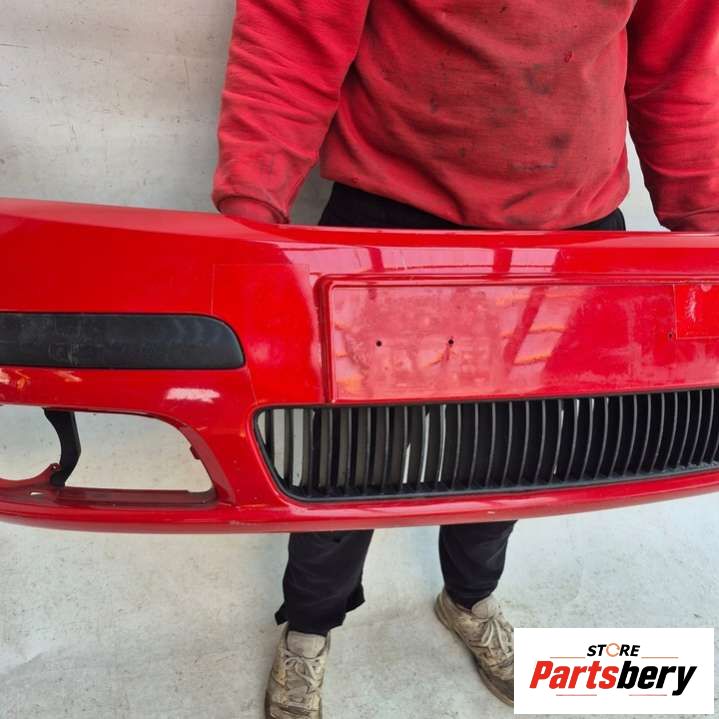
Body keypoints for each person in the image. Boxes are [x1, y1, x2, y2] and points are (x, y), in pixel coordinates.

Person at [212, 2, 719, 716]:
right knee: (350, 462)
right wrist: (250, 219)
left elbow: (678, 66)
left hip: (568, 243)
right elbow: (295, 34)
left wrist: (705, 232)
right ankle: (308, 626)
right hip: (392, 231)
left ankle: (470, 599)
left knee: (511, 455)